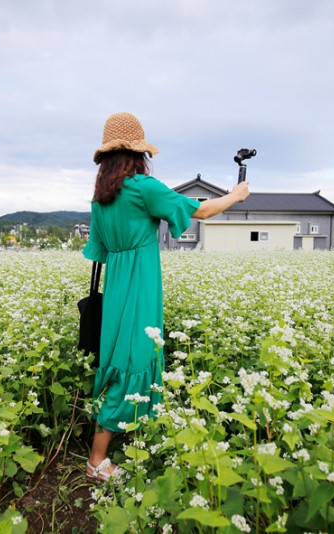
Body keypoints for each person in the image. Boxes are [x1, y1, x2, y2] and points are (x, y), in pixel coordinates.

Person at [83, 112, 250, 482]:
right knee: (137, 356)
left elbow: (97, 251)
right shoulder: (142, 186)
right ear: (137, 153)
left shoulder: (100, 198)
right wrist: (235, 195)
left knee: (122, 356)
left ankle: (134, 434)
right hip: (141, 282)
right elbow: (201, 210)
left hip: (117, 285)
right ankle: (96, 461)